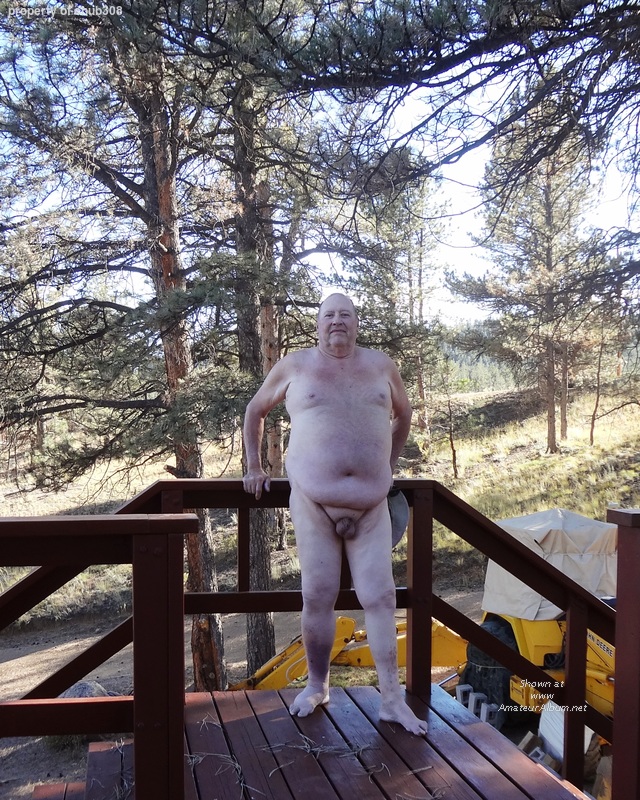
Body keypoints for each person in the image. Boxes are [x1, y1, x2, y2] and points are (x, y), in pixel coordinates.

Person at [242, 292, 428, 736]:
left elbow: (403, 415)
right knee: (317, 595)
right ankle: (317, 685)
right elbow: (255, 410)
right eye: (329, 315)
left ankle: (392, 699)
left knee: (381, 597)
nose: (337, 321)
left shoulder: (381, 366)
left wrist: (388, 463)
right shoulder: (295, 366)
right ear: (318, 324)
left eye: (345, 314)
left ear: (357, 322)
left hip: (371, 504)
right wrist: (253, 466)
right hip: (314, 502)